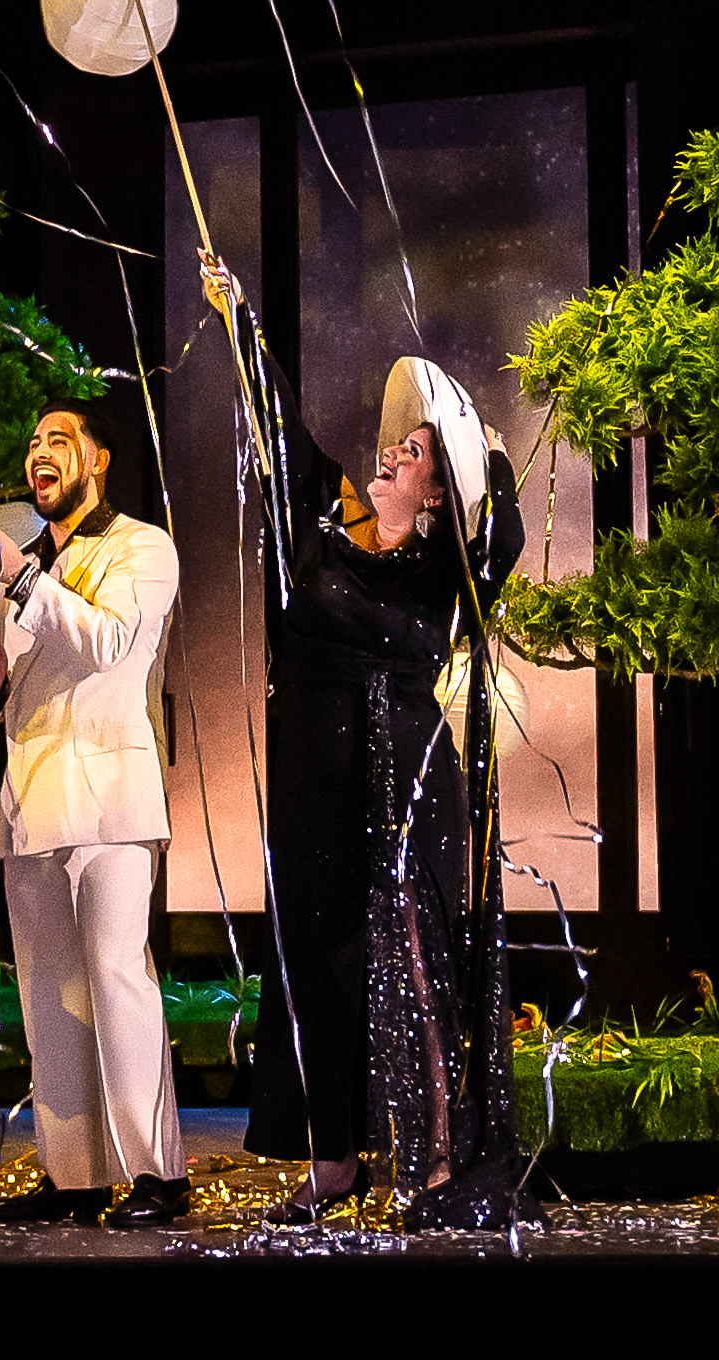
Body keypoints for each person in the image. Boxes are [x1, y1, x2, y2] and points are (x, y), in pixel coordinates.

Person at [200, 253, 525, 1225]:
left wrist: (485, 454)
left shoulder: (445, 565)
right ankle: (333, 1162)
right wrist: (239, 317)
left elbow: (498, 529)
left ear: (439, 484)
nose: (394, 452)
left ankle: (428, 1165)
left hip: (402, 779)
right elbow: (276, 424)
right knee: (315, 965)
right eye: (399, 442)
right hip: (311, 775)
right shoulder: (324, 522)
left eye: (418, 449)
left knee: (409, 966)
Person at [0, 402, 189, 1227]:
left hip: (110, 800)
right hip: (31, 802)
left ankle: (157, 1174)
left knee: (117, 981)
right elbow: (20, 691)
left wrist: (22, 578)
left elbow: (107, 644)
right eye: (31, 442)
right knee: (48, 996)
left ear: (97, 458)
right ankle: (74, 1175)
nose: (39, 453)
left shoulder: (141, 546)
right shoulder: (22, 568)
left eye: (58, 440)